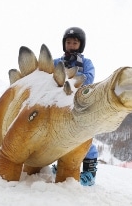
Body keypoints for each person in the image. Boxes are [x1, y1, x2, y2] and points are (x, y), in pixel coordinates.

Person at [53, 27, 97, 186]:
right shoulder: (57, 62)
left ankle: (89, 172)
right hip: (58, 105)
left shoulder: (86, 62)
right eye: (68, 42)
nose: (71, 45)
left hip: (78, 105)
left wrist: (74, 77)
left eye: (75, 43)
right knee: (59, 136)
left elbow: (89, 79)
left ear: (81, 45)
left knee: (83, 136)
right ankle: (60, 166)